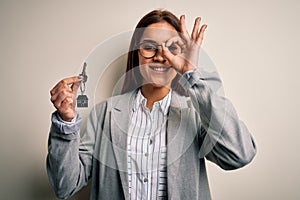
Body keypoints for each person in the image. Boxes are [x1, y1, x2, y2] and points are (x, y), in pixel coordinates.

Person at [47, 9, 256, 200]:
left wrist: (191, 73)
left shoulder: (196, 113)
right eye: (149, 47)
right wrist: (66, 122)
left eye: (171, 48)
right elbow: (65, 186)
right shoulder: (105, 114)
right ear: (137, 53)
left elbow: (239, 155)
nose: (160, 56)